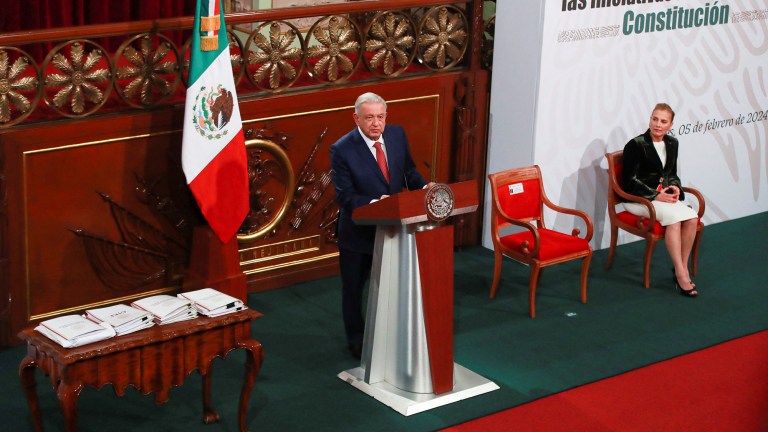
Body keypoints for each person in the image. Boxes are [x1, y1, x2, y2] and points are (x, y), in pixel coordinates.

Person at [330, 92, 433, 358]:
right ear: (356, 118)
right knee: (354, 289)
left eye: (380, 117)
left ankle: (389, 334)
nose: (376, 123)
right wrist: (378, 201)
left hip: (393, 229)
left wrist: (424, 187)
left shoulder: (397, 135)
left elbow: (408, 171)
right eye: (369, 118)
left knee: (391, 284)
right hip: (358, 234)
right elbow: (345, 197)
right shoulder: (342, 149)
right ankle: (356, 338)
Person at [622, 103, 700, 297]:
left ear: (670, 125)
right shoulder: (636, 144)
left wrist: (675, 188)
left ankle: (681, 267)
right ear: (650, 119)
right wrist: (656, 195)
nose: (657, 124)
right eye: (654, 119)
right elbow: (628, 182)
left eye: (663, 121)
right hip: (639, 199)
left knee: (692, 219)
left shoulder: (673, 143)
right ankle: (682, 274)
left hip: (663, 198)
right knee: (674, 222)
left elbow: (671, 174)